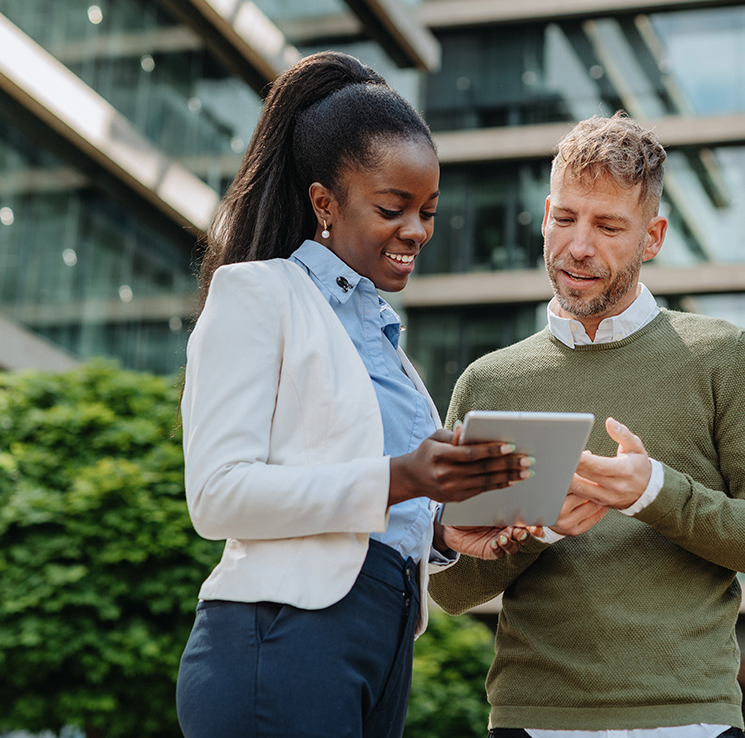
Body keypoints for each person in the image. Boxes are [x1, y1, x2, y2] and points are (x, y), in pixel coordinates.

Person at [176, 51, 535, 738]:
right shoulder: (259, 295)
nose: (418, 232)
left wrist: (443, 529)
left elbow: (370, 501)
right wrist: (402, 477)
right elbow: (217, 495)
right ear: (324, 203)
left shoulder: (390, 350)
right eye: (393, 209)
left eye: (427, 211)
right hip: (282, 643)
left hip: (381, 642)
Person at [428, 113, 745, 737]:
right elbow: (450, 590)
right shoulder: (488, 383)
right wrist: (538, 529)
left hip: (687, 719)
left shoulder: (722, 356)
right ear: (547, 213)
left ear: (653, 237)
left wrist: (653, 493)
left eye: (609, 227)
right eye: (565, 219)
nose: (579, 246)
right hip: (533, 720)